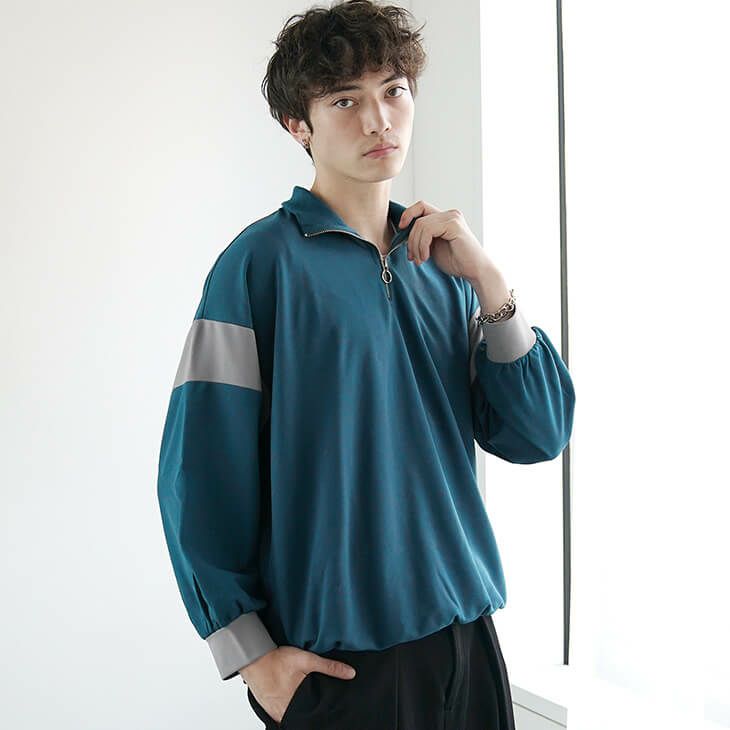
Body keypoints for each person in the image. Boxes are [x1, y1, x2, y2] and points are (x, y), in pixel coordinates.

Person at [156, 1, 576, 728]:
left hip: (468, 643)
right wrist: (252, 657)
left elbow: (537, 435)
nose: (380, 120)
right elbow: (199, 473)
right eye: (345, 101)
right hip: (345, 666)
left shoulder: (444, 264)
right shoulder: (258, 267)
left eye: (394, 91)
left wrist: (492, 287)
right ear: (298, 124)